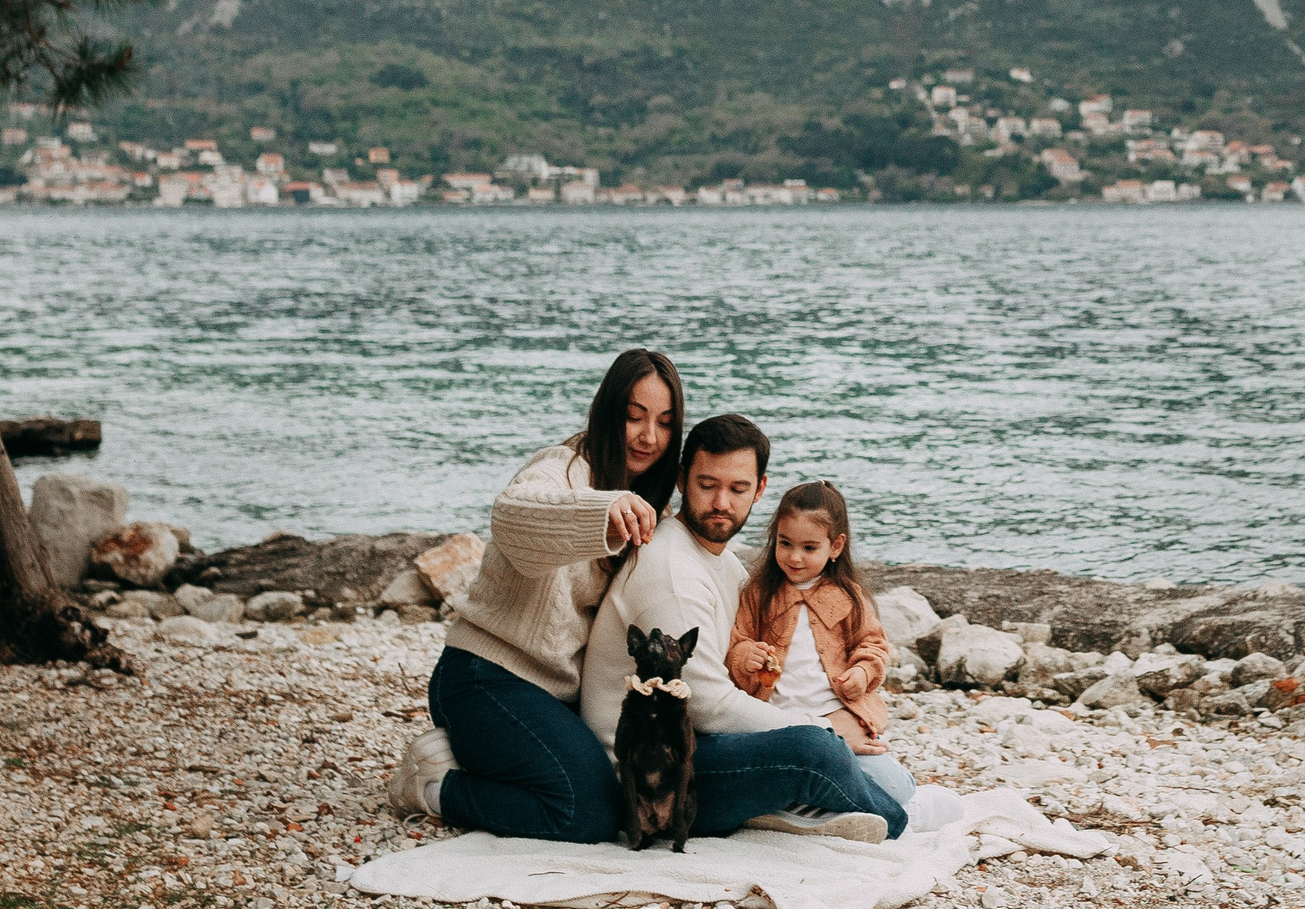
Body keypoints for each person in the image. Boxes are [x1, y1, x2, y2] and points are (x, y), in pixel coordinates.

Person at [384, 349, 682, 843]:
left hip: (557, 699)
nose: (649, 436)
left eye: (665, 423)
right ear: (607, 411)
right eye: (635, 416)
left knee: (627, 791)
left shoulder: (653, 510)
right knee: (588, 814)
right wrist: (602, 511)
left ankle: (479, 760)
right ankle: (434, 786)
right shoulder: (561, 468)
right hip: (484, 676)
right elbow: (513, 514)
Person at [578, 414, 912, 842]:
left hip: (698, 744)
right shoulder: (671, 574)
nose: (721, 502)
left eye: (737, 489)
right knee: (815, 751)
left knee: (881, 774)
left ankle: (804, 808)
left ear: (760, 489)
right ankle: (902, 823)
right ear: (682, 480)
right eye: (707, 485)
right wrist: (823, 726)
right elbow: (709, 705)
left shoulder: (726, 564)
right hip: (654, 775)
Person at [724, 480, 916, 806]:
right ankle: (830, 807)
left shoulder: (848, 596)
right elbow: (737, 643)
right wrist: (746, 657)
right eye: (785, 543)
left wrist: (862, 673)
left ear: (836, 546)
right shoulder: (759, 593)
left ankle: (835, 805)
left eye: (809, 548)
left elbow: (873, 645)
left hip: (839, 721)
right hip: (778, 724)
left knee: (896, 787)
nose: (795, 557)